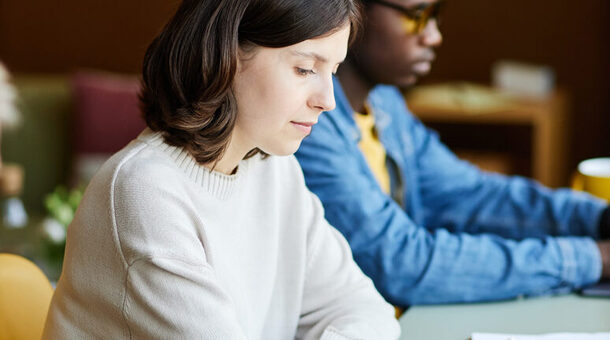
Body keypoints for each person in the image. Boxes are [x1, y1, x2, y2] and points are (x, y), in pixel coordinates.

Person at [42, 1, 400, 339]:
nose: (328, 100)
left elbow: (364, 308)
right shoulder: (143, 192)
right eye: (305, 68)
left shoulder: (276, 171)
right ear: (225, 55)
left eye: (332, 72)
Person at [295, 0, 610, 306]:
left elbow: (469, 195)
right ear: (354, 10)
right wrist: (594, 259)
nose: (433, 36)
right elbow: (402, 263)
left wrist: (598, 219)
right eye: (417, 14)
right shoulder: (310, 124)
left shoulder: (383, 102)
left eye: (436, 14)